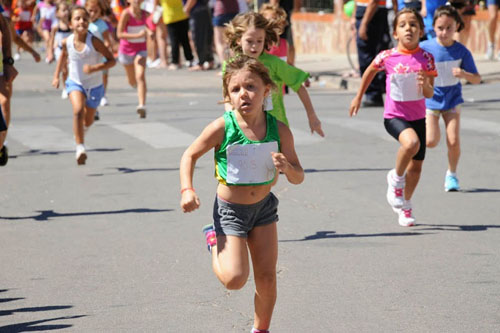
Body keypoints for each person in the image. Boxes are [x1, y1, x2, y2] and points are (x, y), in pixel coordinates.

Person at [180, 55, 304, 333]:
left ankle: (261, 330)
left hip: (263, 208)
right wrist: (187, 189)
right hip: (230, 211)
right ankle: (213, 239)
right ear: (228, 95)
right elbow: (189, 155)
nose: (243, 94)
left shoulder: (279, 130)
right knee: (235, 280)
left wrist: (287, 167)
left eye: (250, 87)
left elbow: (298, 175)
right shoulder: (223, 127)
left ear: (267, 90)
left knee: (267, 279)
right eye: (235, 90)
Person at [349, 8, 437, 226]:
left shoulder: (426, 59)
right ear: (395, 32)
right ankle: (395, 178)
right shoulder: (387, 56)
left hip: (418, 118)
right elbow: (369, 70)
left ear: (421, 30)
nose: (409, 28)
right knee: (411, 143)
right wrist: (358, 97)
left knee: (416, 168)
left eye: (413, 24)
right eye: (403, 25)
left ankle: (405, 206)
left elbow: (430, 93)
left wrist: (425, 84)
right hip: (394, 117)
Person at [224, 12, 324, 136]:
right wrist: (230, 119)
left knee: (281, 156)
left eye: (259, 41)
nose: (255, 46)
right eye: (249, 41)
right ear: (239, 40)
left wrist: (312, 116)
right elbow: (227, 97)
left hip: (274, 127)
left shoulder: (274, 63)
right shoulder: (231, 65)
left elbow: (298, 86)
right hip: (242, 129)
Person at [420, 5, 480, 191]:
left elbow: (477, 79)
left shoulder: (461, 51)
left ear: (456, 27)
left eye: (449, 28)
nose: (444, 32)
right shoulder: (425, 48)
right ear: (433, 28)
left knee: (453, 140)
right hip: (431, 100)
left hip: (452, 100)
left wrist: (464, 74)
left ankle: (452, 174)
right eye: (440, 28)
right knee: (430, 141)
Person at [52, 6, 116, 165]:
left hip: (95, 85)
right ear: (70, 23)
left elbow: (111, 60)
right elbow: (62, 57)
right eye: (77, 18)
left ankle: (81, 132)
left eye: (84, 19)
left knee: (88, 120)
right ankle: (80, 147)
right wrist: (56, 76)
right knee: (78, 111)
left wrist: (95, 68)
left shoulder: (94, 41)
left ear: (88, 22)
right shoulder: (67, 41)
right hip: (75, 83)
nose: (81, 21)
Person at [116, 0, 151, 118]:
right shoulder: (126, 14)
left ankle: (142, 105)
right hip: (126, 50)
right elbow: (119, 34)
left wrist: (150, 31)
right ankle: (136, 86)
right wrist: (137, 35)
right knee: (132, 81)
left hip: (141, 49)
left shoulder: (145, 13)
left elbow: (151, 26)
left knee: (140, 75)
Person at [355, 0, 392, 106]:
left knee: (367, 56)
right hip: (364, 11)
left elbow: (374, 2)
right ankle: (373, 92)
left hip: (371, 13)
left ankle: (374, 94)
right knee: (367, 55)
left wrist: (364, 24)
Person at [87, 0, 114, 109]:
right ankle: (90, 95)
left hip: (101, 55)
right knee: (89, 76)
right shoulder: (83, 23)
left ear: (100, 12)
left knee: (103, 75)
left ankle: (103, 95)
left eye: (95, 11)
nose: (92, 14)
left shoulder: (101, 24)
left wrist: (105, 51)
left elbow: (107, 40)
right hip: (88, 55)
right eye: (90, 11)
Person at [47, 1, 71, 99]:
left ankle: (71, 85)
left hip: (70, 50)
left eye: (67, 10)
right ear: (57, 13)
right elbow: (51, 40)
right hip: (60, 50)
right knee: (64, 70)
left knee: (70, 68)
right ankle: (65, 88)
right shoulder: (56, 26)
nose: (66, 12)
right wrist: (50, 53)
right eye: (63, 10)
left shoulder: (71, 25)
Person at [183, 0, 215, 70]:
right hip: (203, 9)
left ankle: (201, 63)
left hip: (197, 10)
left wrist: (186, 9)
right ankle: (209, 61)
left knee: (198, 38)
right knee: (206, 37)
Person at [212, 0, 239, 68]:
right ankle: (234, 65)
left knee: (219, 42)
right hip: (234, 10)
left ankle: (224, 66)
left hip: (221, 11)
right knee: (232, 41)